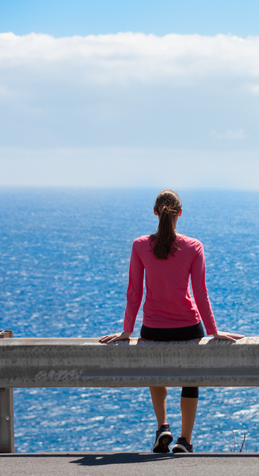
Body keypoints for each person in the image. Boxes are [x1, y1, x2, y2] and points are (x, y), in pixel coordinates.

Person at [100, 190, 243, 454]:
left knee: (156, 372)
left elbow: (134, 292)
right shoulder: (194, 246)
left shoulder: (140, 245)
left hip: (153, 327)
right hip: (189, 325)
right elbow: (201, 293)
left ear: (155, 212)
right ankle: (185, 440)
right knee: (190, 378)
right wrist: (214, 331)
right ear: (179, 213)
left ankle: (162, 427)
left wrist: (126, 330)